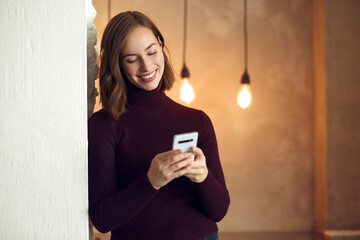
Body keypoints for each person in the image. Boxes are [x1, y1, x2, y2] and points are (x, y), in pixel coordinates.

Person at [88, 11, 230, 240]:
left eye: (152, 52)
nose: (146, 66)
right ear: (118, 64)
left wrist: (203, 176)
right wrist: (151, 180)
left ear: (161, 45)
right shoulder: (103, 125)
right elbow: (102, 219)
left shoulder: (197, 121)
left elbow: (219, 210)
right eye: (132, 59)